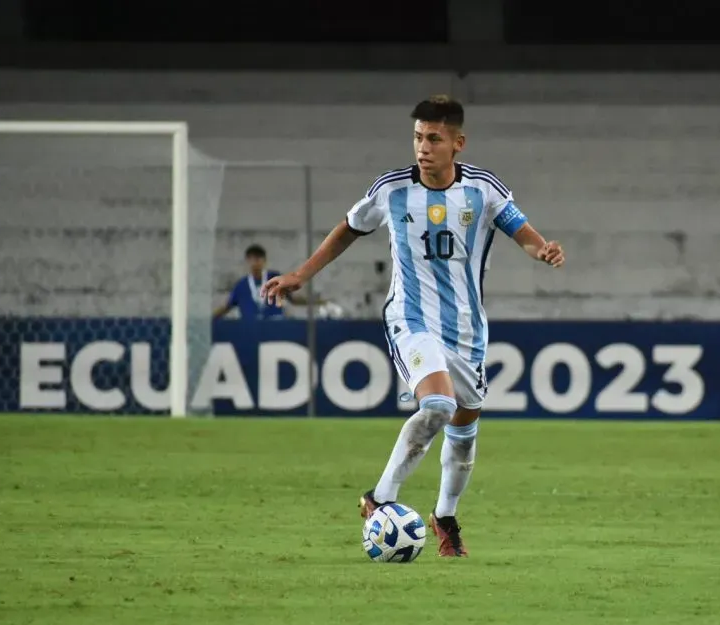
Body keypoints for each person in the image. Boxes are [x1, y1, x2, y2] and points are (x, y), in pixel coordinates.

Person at [262, 95, 565, 557]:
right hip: (411, 317)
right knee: (439, 404)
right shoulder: (391, 189)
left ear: (457, 143)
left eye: (434, 139)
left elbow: (521, 233)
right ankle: (380, 497)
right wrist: (301, 274)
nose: (423, 148)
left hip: (466, 328)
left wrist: (542, 249)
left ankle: (444, 517)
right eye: (418, 138)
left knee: (464, 433)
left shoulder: (483, 190)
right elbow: (348, 228)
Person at [214, 244, 309, 320]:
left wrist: (316, 301)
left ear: (264, 261)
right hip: (250, 328)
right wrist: (209, 319)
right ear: (247, 261)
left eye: (258, 259)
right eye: (252, 259)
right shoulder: (241, 285)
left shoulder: (274, 279)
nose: (255, 263)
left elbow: (293, 299)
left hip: (275, 326)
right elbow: (227, 306)